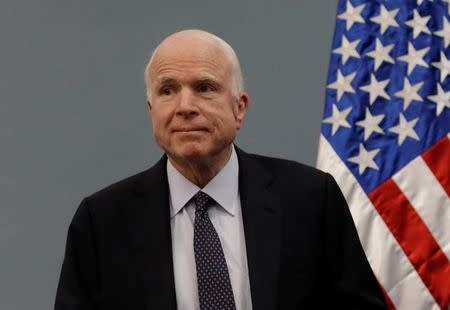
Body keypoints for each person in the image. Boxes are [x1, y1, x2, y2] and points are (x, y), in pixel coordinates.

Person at [54, 29, 387, 310]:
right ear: (151, 110)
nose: (185, 107)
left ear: (239, 108)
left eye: (204, 88)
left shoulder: (311, 199)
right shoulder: (102, 221)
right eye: (168, 90)